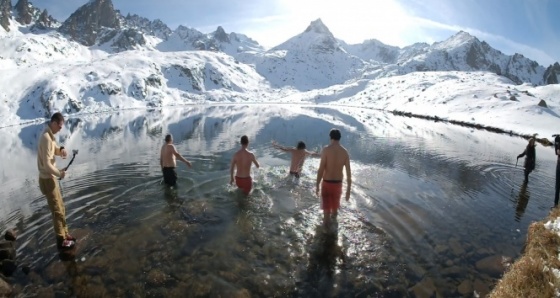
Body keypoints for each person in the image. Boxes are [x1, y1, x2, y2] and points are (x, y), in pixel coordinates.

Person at [37, 112, 75, 250]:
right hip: (47, 180)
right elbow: (47, 165)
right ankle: (61, 241)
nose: (60, 129)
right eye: (59, 126)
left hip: (50, 178)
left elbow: (54, 149)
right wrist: (60, 173)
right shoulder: (46, 138)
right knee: (57, 211)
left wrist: (61, 150)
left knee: (61, 208)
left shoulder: (50, 136)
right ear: (53, 123)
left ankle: (65, 234)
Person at [316, 128, 352, 226]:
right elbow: (349, 173)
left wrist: (317, 185)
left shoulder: (326, 150)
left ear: (330, 137)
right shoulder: (345, 152)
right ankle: (334, 232)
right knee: (335, 211)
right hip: (338, 184)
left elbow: (321, 169)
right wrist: (348, 190)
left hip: (327, 183)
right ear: (339, 138)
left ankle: (326, 234)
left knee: (326, 213)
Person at [554, 135, 560, 207]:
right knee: (557, 186)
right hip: (559, 166)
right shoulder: (558, 138)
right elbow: (557, 152)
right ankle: (555, 204)